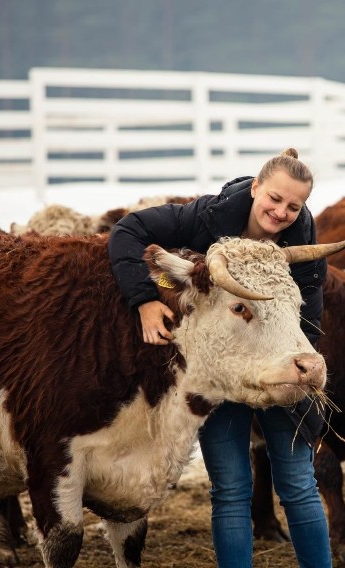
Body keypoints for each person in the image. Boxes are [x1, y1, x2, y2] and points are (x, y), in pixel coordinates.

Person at [108, 148, 332, 568]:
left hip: (283, 365)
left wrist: (303, 369)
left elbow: (309, 319)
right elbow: (127, 231)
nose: (281, 212)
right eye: (274, 198)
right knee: (230, 488)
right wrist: (143, 301)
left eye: (293, 205)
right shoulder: (206, 217)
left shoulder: (302, 240)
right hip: (220, 367)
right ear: (255, 188)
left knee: (299, 484)